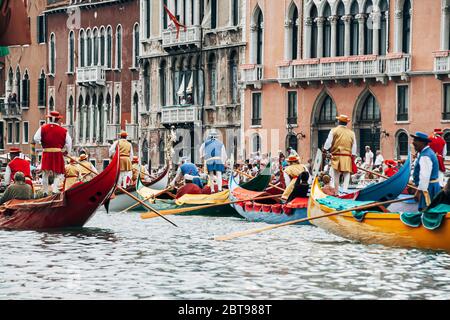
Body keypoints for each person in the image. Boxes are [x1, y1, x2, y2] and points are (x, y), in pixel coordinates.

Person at [33, 111, 72, 195]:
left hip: (46, 153)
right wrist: (67, 151)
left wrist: (42, 143)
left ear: (49, 118)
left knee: (45, 173)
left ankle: (45, 191)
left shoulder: (43, 128)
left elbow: (36, 138)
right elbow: (69, 142)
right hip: (58, 153)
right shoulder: (64, 130)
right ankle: (54, 190)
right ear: (58, 120)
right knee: (58, 173)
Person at [323, 114, 357, 193]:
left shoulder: (333, 130)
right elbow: (354, 145)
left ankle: (336, 192)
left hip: (336, 156)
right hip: (347, 156)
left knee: (336, 175)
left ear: (339, 121)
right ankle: (345, 191)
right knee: (347, 173)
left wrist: (325, 149)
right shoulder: (352, 133)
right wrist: (353, 155)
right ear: (346, 123)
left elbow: (328, 142)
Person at [410, 132, 441, 211]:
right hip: (430, 187)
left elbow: (424, 177)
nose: (413, 142)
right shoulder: (427, 152)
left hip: (428, 189)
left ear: (422, 142)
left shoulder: (425, 156)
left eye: (416, 140)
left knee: (427, 211)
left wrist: (418, 192)